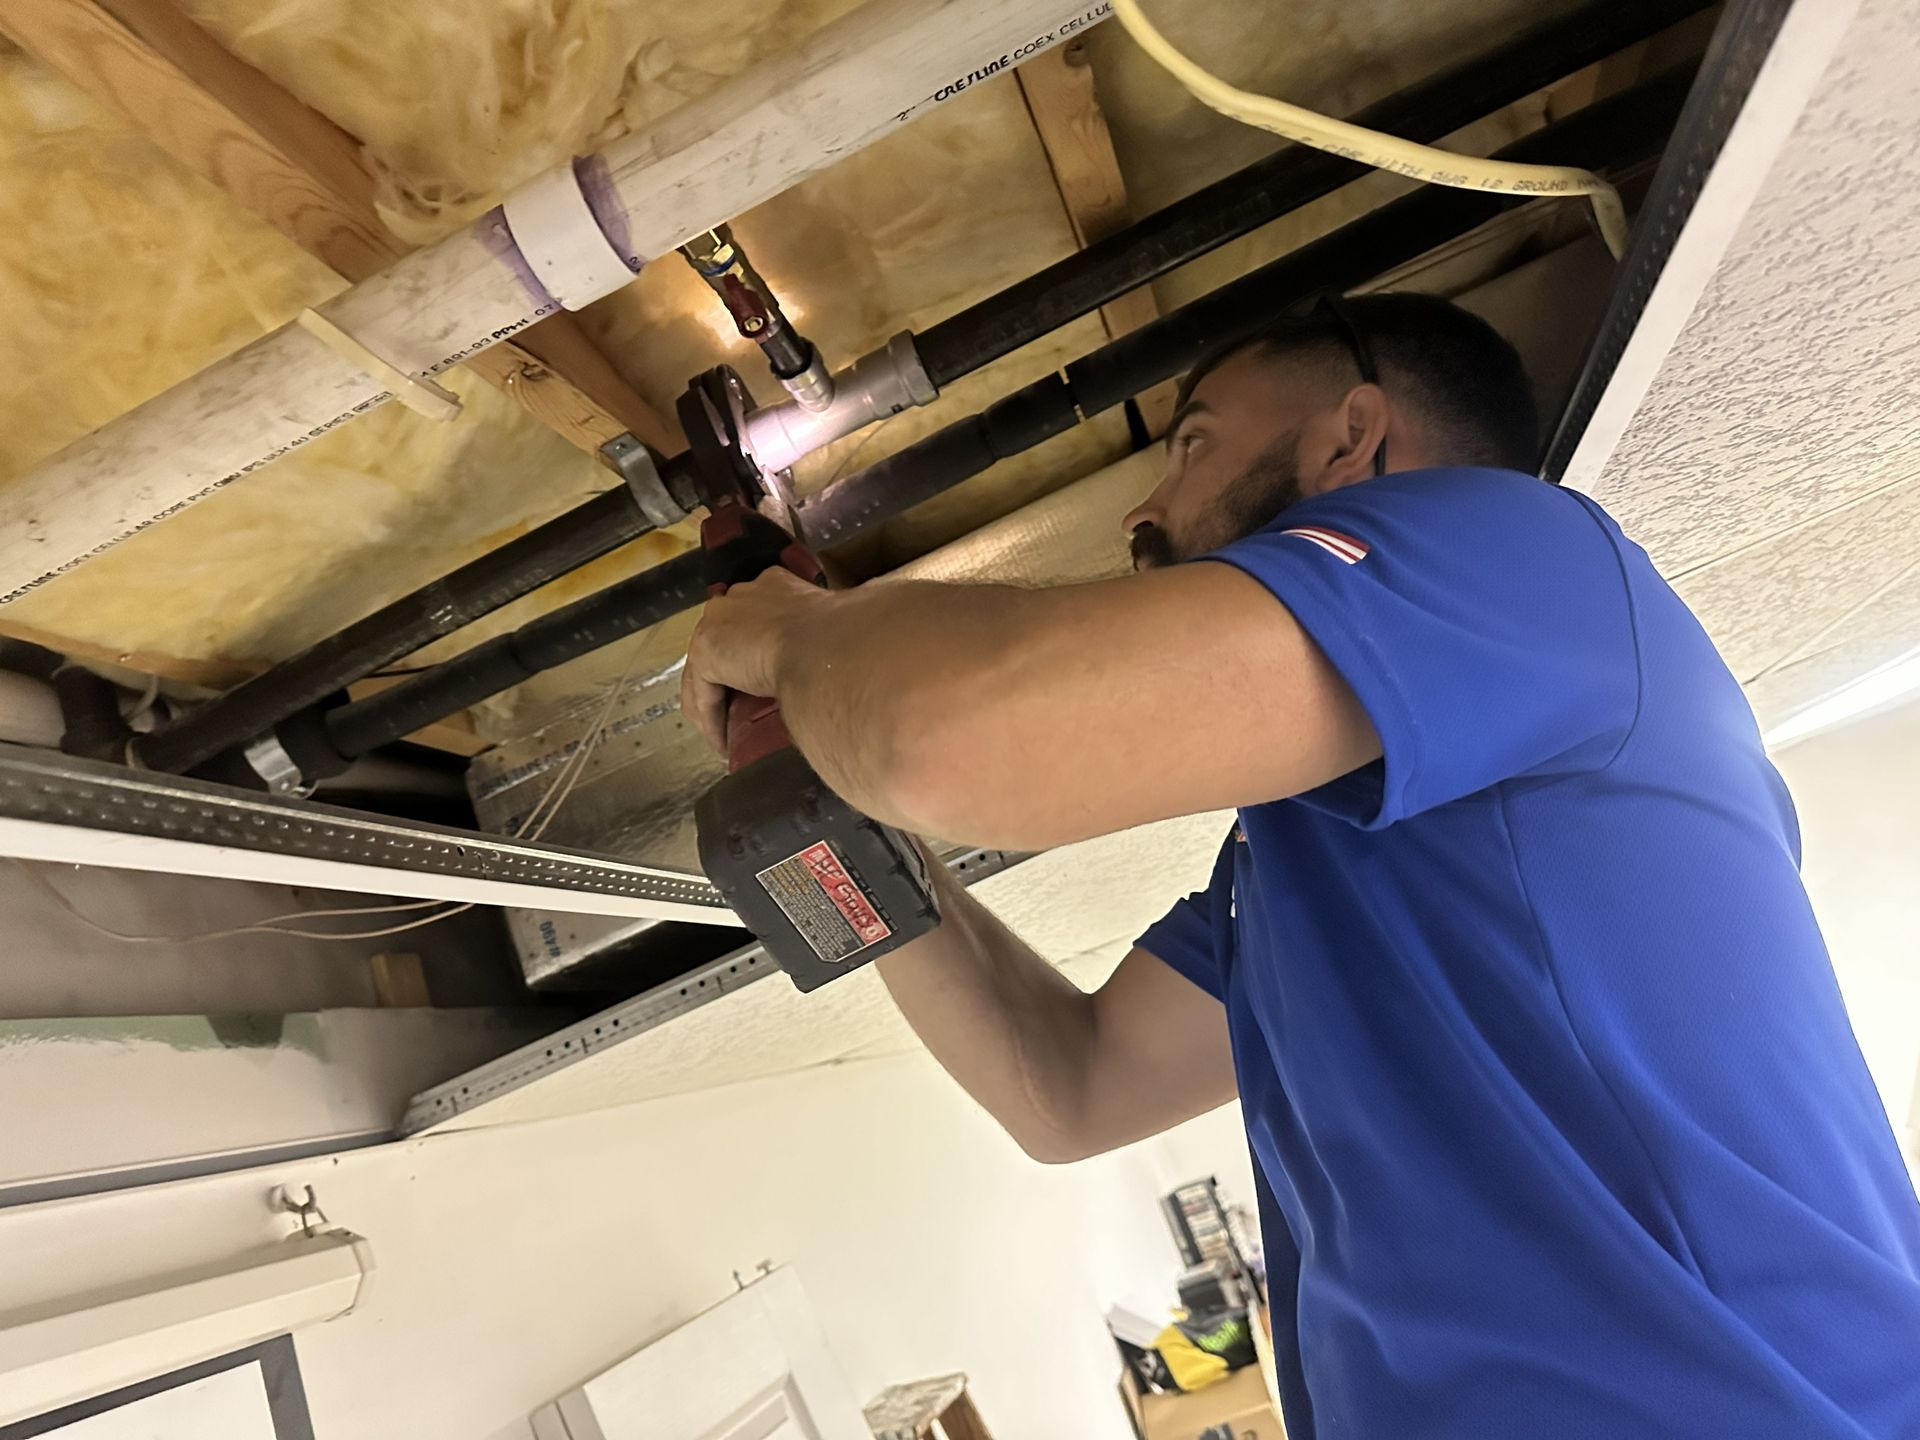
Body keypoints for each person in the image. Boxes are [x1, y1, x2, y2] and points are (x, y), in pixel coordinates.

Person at [681, 293, 1920, 1438]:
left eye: (1194, 441)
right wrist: (827, 832)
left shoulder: (1531, 552)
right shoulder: (1300, 861)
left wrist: (800, 636)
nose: (1143, 511)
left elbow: (940, 736)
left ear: (1354, 440)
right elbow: (1068, 1091)